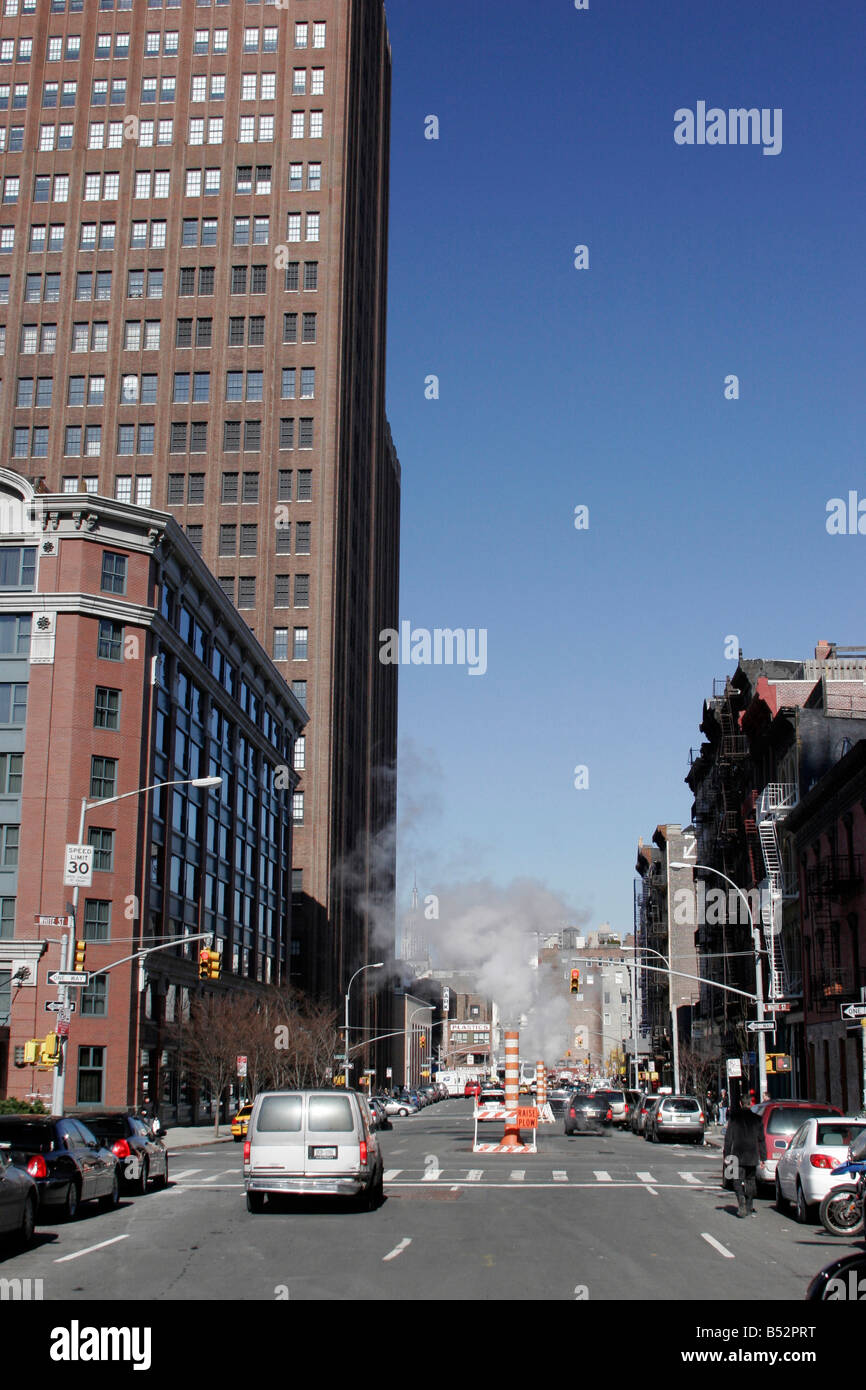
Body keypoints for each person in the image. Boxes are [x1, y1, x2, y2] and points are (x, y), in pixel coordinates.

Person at [723, 1098, 767, 1218]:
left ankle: (741, 1200)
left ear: (741, 1103)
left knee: (736, 1180)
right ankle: (748, 1203)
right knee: (750, 1180)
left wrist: (726, 1155)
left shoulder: (734, 1118)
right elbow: (761, 1139)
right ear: (751, 1104)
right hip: (752, 1155)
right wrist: (763, 1158)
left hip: (738, 1154)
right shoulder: (757, 1119)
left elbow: (728, 1139)